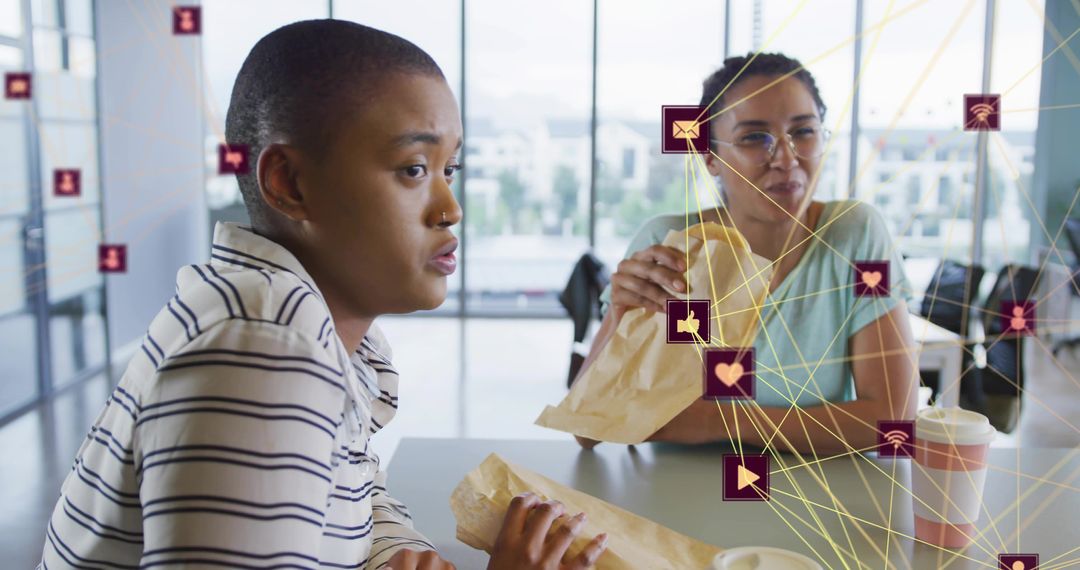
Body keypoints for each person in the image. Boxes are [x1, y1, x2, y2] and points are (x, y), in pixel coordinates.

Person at [40, 20, 607, 570]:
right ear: (290, 184)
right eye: (413, 168)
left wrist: (393, 554)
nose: (450, 208)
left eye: (449, 168)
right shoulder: (262, 353)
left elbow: (351, 493)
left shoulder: (305, 324)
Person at [576, 53, 918, 455]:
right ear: (711, 159)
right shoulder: (669, 245)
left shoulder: (854, 235)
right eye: (754, 137)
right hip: (674, 502)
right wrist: (620, 315)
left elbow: (893, 420)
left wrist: (716, 419)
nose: (787, 158)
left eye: (804, 131)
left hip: (816, 504)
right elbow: (586, 429)